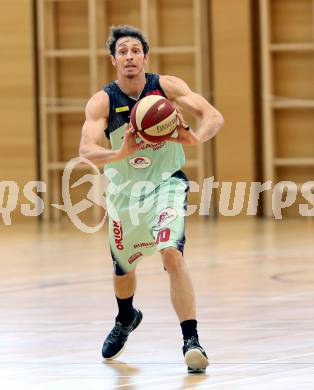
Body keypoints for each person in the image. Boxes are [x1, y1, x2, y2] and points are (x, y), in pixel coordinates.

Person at [79, 25, 224, 373]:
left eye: (135, 50)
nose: (129, 56)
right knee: (123, 268)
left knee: (171, 254)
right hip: (125, 193)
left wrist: (195, 139)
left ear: (145, 56)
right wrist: (120, 153)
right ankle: (126, 316)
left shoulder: (166, 87)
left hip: (167, 185)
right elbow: (85, 150)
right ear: (113, 59)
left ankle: (192, 341)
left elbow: (213, 117)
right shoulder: (104, 101)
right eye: (123, 51)